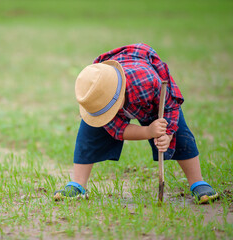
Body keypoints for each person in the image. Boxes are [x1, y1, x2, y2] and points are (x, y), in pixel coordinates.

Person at [53, 43, 219, 204]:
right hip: (112, 86)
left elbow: (170, 105)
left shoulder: (146, 82)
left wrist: (167, 133)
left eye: (108, 110)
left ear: (119, 97)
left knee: (180, 134)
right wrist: (148, 131)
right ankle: (78, 184)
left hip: (151, 94)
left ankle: (198, 182)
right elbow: (119, 130)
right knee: (89, 133)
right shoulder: (94, 91)